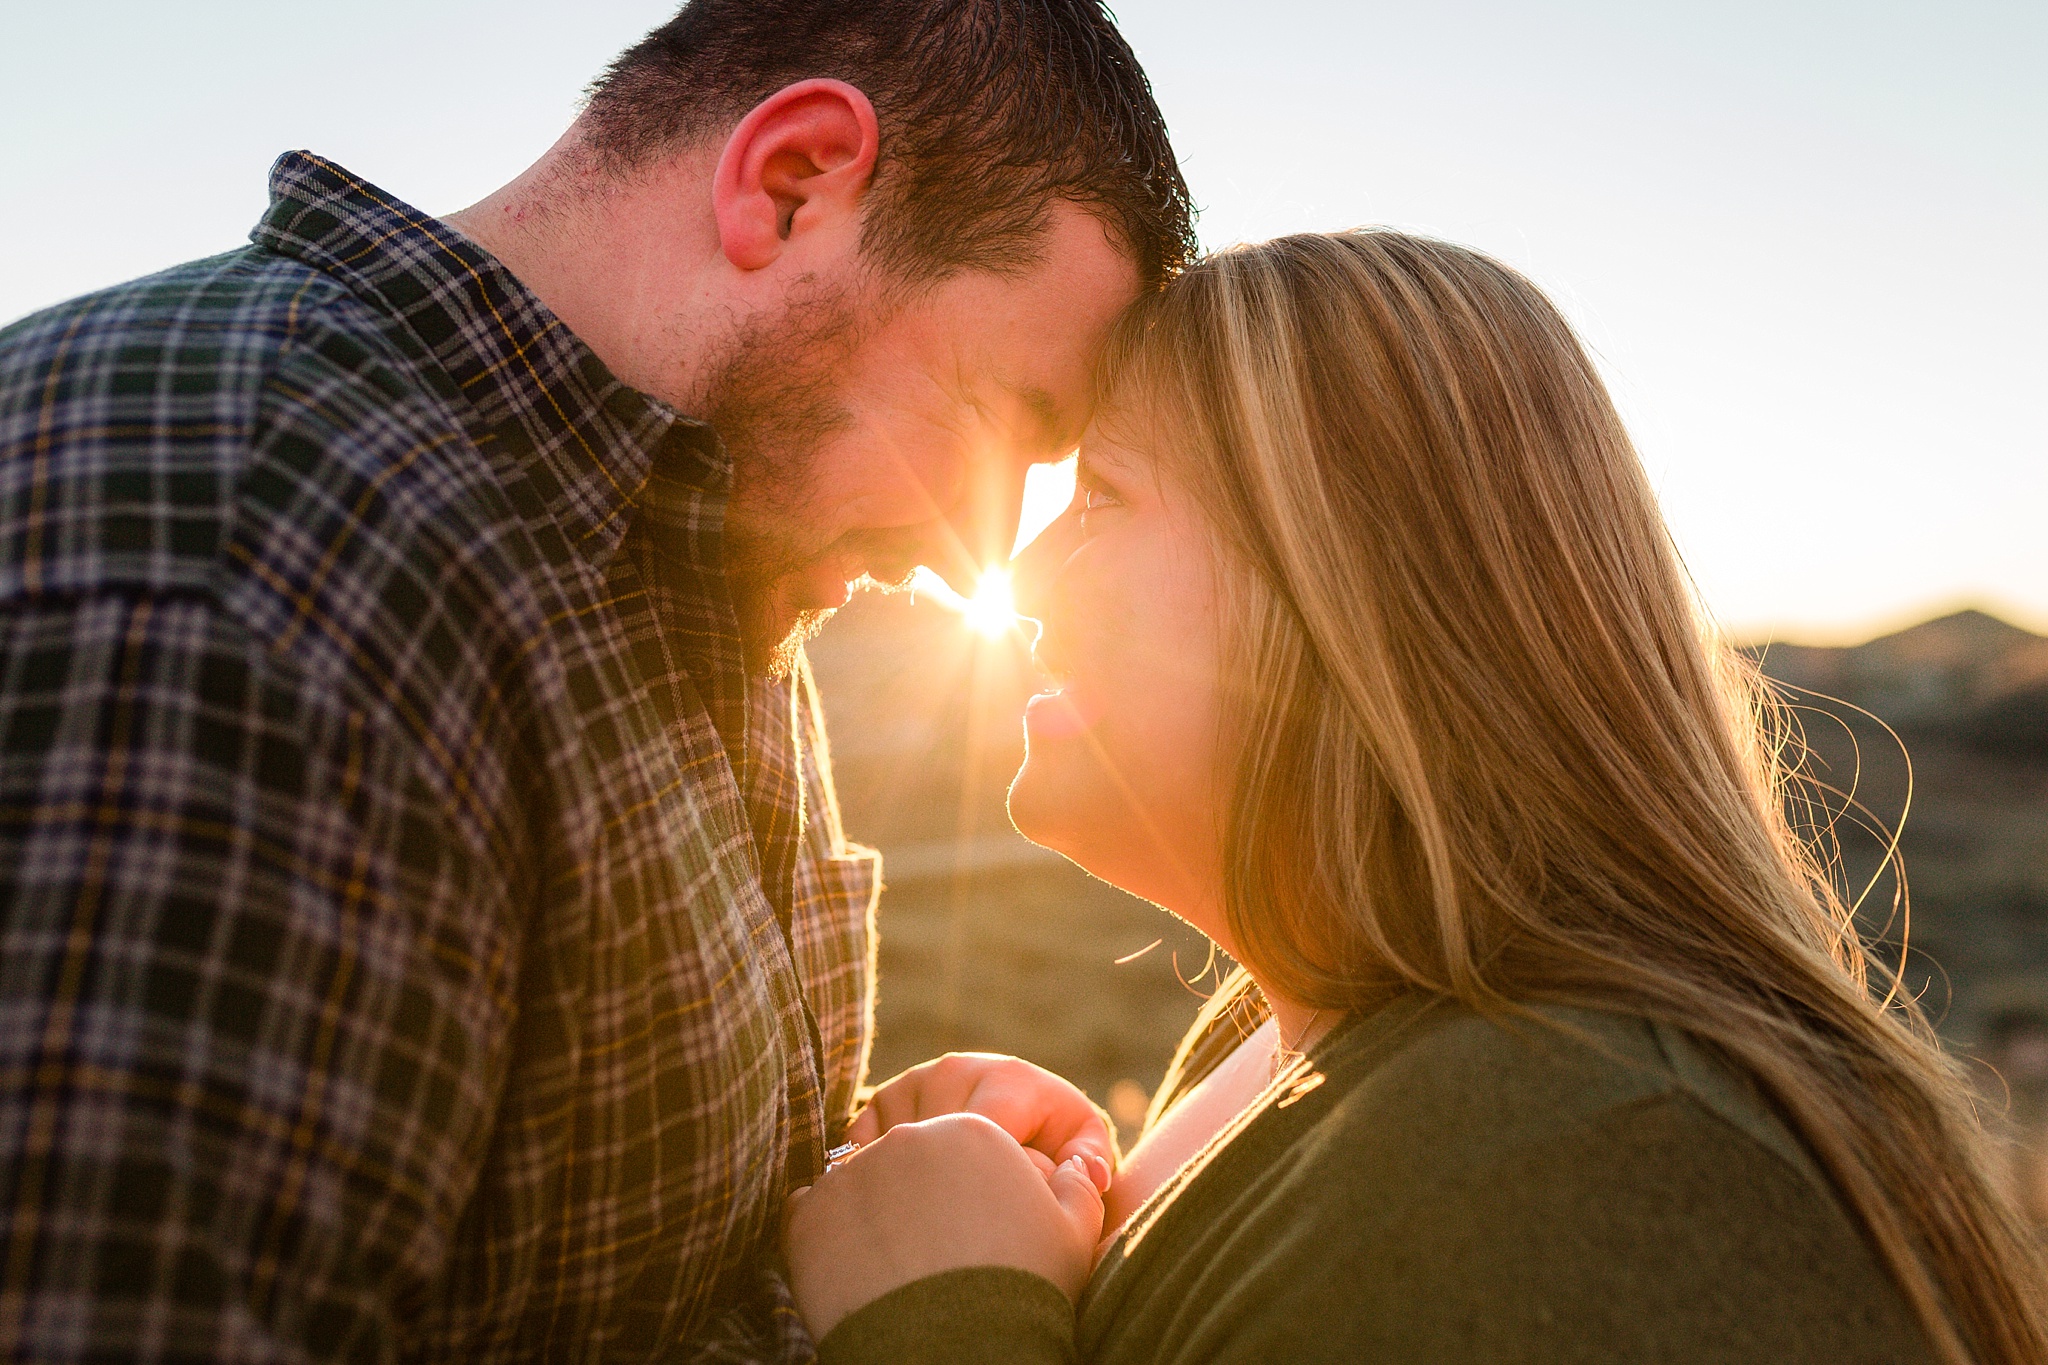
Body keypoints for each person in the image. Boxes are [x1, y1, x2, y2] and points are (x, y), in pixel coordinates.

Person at [0, 2, 1192, 1360]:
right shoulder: (247, 566)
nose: (967, 551)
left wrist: (875, 1198)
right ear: (792, 180)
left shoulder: (690, 552)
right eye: (1000, 418)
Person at [783, 231, 2048, 1363]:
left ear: (1359, 587)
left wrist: (943, 1317)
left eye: (1103, 495)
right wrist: (1044, 1221)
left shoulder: (1590, 1162)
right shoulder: (1292, 1047)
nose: (1017, 579)